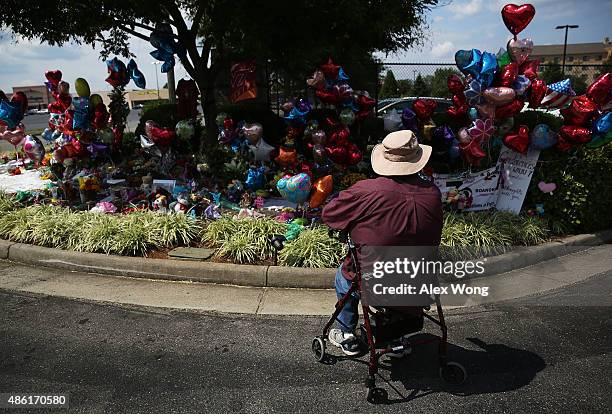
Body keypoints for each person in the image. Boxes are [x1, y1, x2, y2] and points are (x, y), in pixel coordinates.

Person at [322, 130, 443, 355]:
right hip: (420, 281)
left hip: (376, 283)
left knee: (344, 276)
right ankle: (396, 335)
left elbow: (330, 215)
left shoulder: (366, 190)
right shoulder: (433, 193)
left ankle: (347, 333)